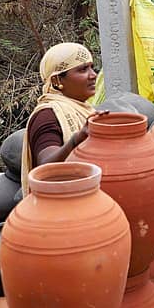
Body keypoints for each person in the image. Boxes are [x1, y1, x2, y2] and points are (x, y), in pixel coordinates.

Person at [20, 42, 100, 194]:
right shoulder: (48, 115)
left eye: (91, 67)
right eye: (83, 70)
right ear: (57, 81)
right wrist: (77, 139)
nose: (93, 75)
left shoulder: (87, 110)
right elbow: (46, 165)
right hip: (63, 205)